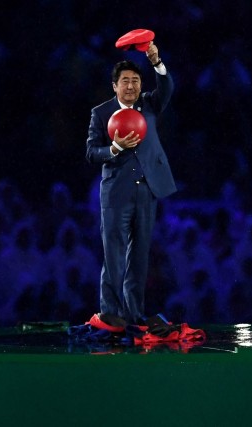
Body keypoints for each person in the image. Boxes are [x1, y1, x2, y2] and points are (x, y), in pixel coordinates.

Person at [85, 42, 176, 324]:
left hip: (146, 189)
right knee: (114, 253)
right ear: (114, 86)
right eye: (125, 81)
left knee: (139, 256)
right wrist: (114, 148)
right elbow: (91, 153)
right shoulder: (100, 113)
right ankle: (111, 313)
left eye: (136, 81)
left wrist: (157, 62)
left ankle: (134, 314)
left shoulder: (149, 103)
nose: (131, 86)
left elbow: (167, 90)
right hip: (116, 193)